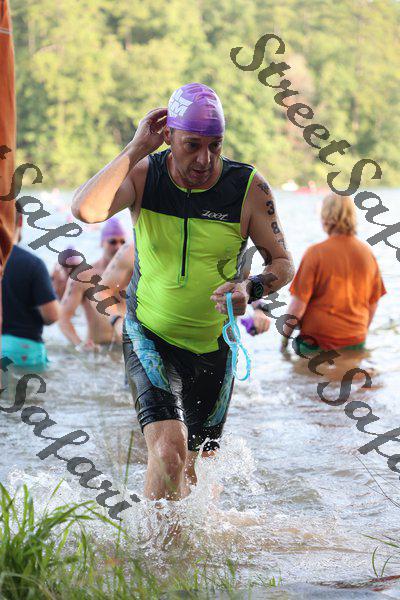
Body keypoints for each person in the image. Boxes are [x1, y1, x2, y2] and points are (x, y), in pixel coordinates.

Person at [72, 82, 294, 500]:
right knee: (168, 452)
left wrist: (251, 287)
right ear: (170, 136)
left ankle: (180, 542)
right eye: (192, 145)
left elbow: (283, 263)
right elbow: (85, 210)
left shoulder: (248, 188)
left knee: (197, 475)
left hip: (215, 345)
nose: (204, 159)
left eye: (215, 145)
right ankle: (150, 542)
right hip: (150, 334)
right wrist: (136, 148)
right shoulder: (145, 175)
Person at [282, 193, 386, 354]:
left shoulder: (315, 253)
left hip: (316, 342)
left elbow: (297, 307)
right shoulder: (367, 254)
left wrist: (284, 342)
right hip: (355, 341)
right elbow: (373, 303)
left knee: (300, 366)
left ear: (325, 217)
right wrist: (360, 333)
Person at [1, 210, 60, 369]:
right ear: (20, 221)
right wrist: (56, 291)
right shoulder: (32, 264)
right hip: (22, 349)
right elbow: (51, 316)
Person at [59, 217, 126, 350]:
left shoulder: (133, 274)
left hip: (125, 350)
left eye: (123, 242)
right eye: (112, 241)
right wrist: (80, 345)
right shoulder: (83, 276)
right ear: (102, 243)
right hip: (98, 352)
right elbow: (63, 318)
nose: (118, 246)